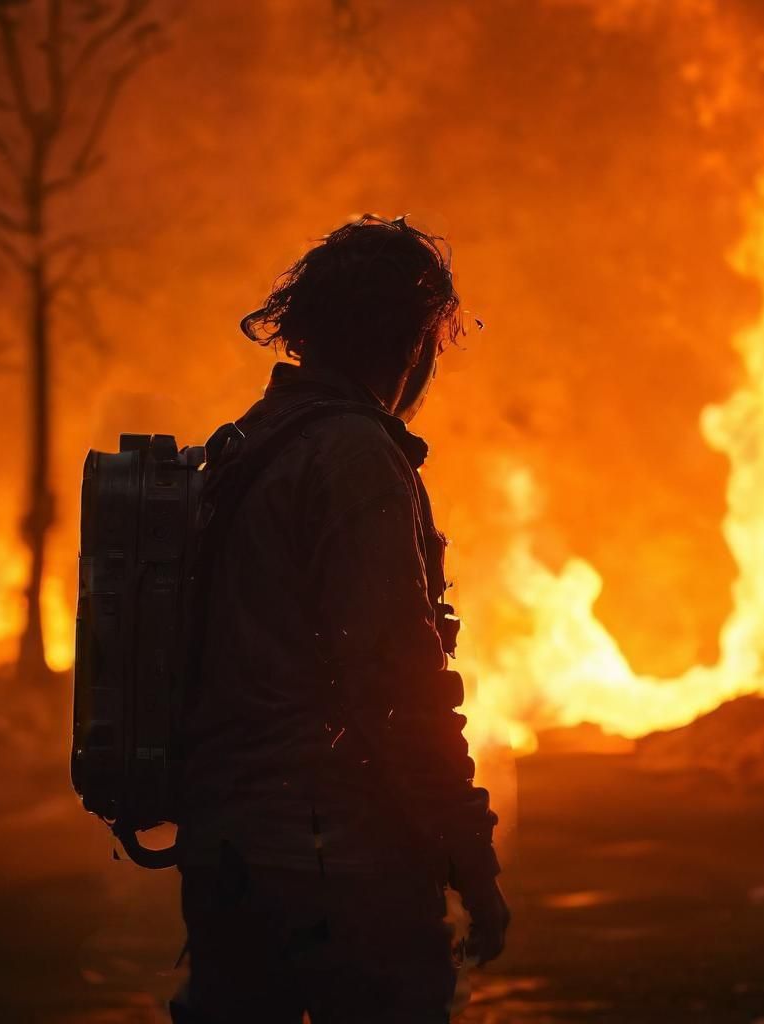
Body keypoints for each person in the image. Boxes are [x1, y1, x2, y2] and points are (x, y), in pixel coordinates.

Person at [173, 215, 508, 1023]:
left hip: (230, 851)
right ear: (412, 342)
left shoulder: (250, 445)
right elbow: (397, 682)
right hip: (341, 862)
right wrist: (470, 855)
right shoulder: (355, 457)